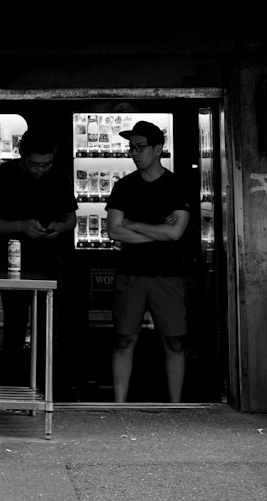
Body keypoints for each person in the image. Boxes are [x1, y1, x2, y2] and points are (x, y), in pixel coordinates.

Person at [0, 128, 78, 383]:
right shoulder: (4, 175)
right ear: (22, 154)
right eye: (35, 163)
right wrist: (20, 226)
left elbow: (71, 218)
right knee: (14, 323)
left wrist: (60, 227)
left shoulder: (60, 176)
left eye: (46, 164)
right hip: (12, 264)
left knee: (48, 325)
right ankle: (12, 381)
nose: (40, 169)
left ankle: (46, 383)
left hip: (51, 261)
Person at [105, 120, 192, 403]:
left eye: (140, 147)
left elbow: (176, 232)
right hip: (130, 272)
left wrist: (133, 224)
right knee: (123, 339)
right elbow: (114, 230)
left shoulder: (178, 185)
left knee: (174, 341)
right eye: (131, 148)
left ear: (158, 149)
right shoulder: (123, 186)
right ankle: (119, 406)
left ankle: (176, 405)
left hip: (168, 273)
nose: (134, 153)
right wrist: (159, 233)